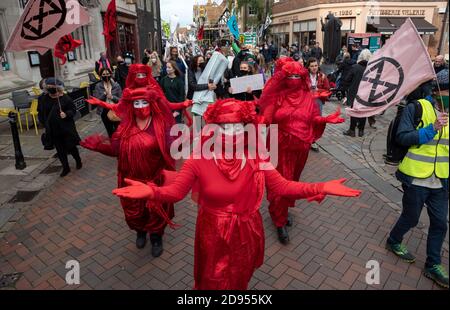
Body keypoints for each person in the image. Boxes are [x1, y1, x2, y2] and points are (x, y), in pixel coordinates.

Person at [112, 98, 361, 290]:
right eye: (223, 127)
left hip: (247, 231)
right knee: (212, 281)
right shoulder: (199, 158)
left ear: (245, 128)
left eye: (235, 127)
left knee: (239, 280)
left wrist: (320, 187)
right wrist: (151, 192)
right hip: (213, 232)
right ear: (213, 128)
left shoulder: (256, 156)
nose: (229, 133)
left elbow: (282, 186)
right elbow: (176, 193)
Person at [81, 87, 177, 257]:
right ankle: (140, 231)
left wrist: (178, 141)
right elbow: (116, 149)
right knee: (134, 212)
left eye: (144, 102)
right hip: (130, 179)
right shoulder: (124, 127)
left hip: (154, 179)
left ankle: (156, 238)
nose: (140, 106)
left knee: (155, 212)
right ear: (131, 105)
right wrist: (99, 146)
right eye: (136, 103)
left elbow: (172, 147)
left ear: (152, 104)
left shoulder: (161, 125)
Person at [260, 59, 345, 244]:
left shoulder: (306, 95)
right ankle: (279, 220)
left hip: (301, 148)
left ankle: (282, 211)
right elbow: (265, 115)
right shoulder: (277, 95)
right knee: (280, 184)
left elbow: (313, 117)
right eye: (290, 76)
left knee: (292, 181)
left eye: (297, 76)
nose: (294, 79)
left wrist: (325, 120)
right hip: (279, 146)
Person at [386, 83, 449, 289]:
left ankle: (433, 265)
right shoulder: (417, 108)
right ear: (438, 91)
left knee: (440, 223)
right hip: (416, 178)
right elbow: (402, 137)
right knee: (411, 218)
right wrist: (432, 129)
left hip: (441, 181)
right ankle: (394, 240)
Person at [38, 78, 82, 177]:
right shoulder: (43, 99)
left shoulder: (65, 98)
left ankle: (78, 160)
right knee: (60, 150)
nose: (51, 89)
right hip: (53, 130)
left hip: (66, 128)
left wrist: (66, 114)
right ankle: (65, 168)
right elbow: (41, 111)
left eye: (52, 87)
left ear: (57, 88)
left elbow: (73, 110)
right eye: (48, 87)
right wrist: (44, 123)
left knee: (71, 147)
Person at [342, 49, 372, 137]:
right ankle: (361, 131)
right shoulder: (371, 69)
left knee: (354, 111)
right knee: (363, 112)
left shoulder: (355, 67)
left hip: (354, 94)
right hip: (366, 94)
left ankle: (352, 130)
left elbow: (347, 80)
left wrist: (347, 88)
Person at [307, 57, 331, 152]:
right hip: (306, 102)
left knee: (316, 121)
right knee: (306, 120)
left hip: (318, 102)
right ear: (308, 67)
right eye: (312, 66)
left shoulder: (322, 76)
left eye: (316, 65)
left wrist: (318, 90)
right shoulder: (305, 76)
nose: (314, 68)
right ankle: (306, 138)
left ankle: (313, 140)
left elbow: (328, 89)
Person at [93, 68, 122, 137]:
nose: (106, 76)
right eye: (104, 74)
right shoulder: (98, 86)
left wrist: (112, 97)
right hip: (104, 111)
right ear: (100, 75)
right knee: (110, 131)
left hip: (115, 109)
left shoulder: (116, 85)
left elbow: (121, 100)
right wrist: (104, 94)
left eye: (107, 74)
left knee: (118, 130)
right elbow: (97, 100)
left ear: (110, 75)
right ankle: (113, 145)